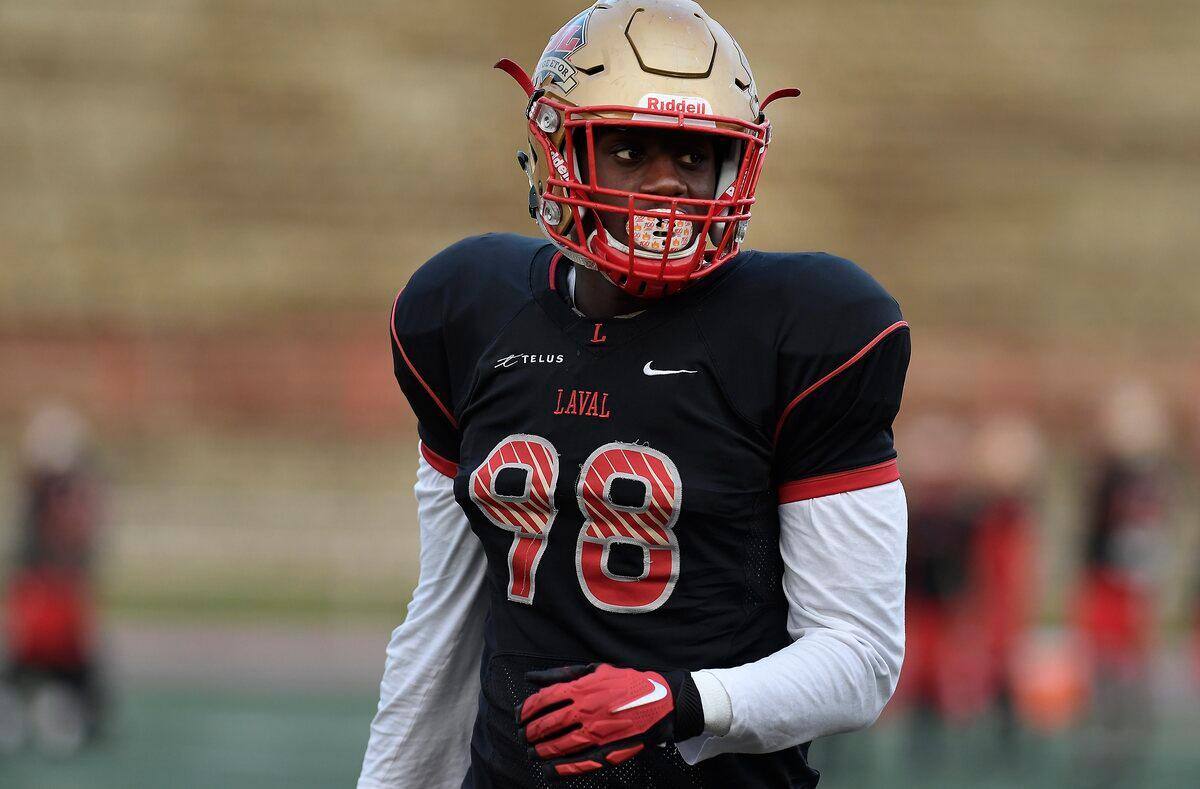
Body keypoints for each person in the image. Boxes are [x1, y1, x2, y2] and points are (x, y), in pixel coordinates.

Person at [359, 2, 910, 787]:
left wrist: (685, 700)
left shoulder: (806, 332)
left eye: (693, 155)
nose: (667, 184)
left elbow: (860, 656)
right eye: (628, 150)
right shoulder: (469, 314)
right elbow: (443, 628)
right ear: (558, 153)